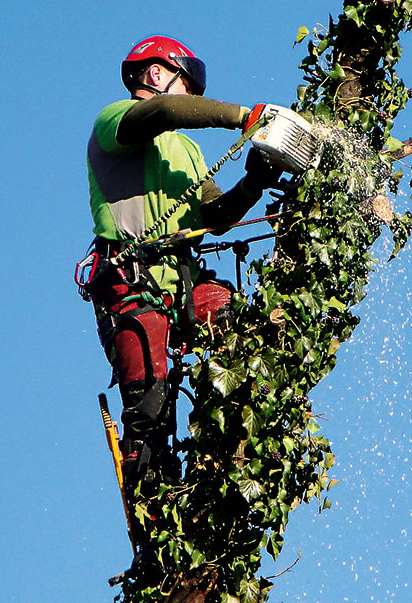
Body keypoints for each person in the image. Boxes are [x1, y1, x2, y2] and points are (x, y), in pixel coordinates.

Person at [84, 34, 279, 497]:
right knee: (150, 403)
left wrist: (255, 180)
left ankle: (232, 450)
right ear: (156, 73)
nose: (193, 101)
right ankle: (150, 498)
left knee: (245, 326)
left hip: (185, 287)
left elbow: (216, 217)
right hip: (132, 287)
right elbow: (165, 111)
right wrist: (241, 117)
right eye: (188, 87)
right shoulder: (117, 120)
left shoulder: (187, 152)